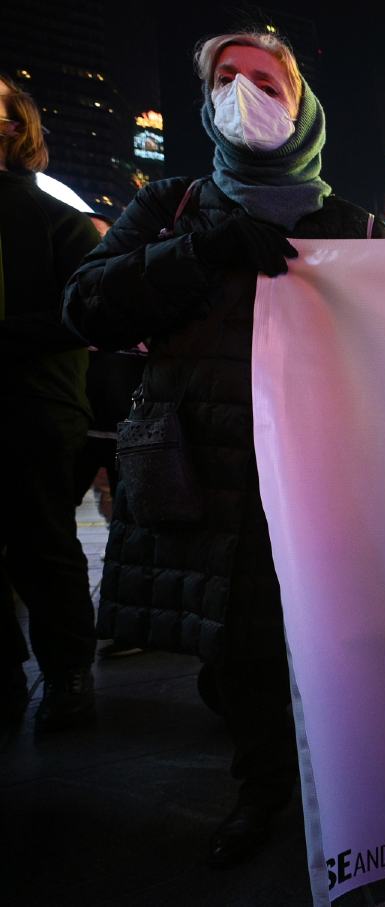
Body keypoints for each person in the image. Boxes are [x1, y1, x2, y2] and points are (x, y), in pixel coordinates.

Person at [62, 30, 385, 867]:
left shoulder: (349, 223)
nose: (245, 91)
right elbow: (88, 306)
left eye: (266, 80)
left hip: (318, 473)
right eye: (226, 78)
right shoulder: (172, 204)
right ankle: (266, 787)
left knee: (322, 639)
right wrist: (197, 249)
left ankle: (343, 782)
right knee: (238, 651)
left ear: (302, 102)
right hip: (208, 471)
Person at [1, 71, 102, 732]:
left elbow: (89, 316)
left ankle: (67, 675)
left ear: (16, 126)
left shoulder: (56, 218)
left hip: (32, 407)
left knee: (43, 544)